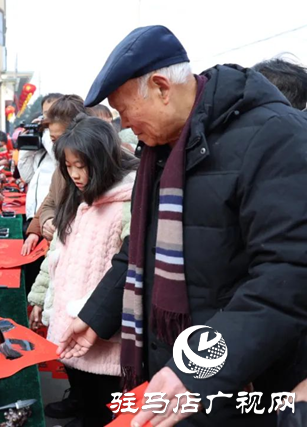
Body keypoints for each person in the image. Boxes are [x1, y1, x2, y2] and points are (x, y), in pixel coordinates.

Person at [58, 25, 307, 427]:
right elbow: (138, 249)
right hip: (171, 371)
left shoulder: (274, 137)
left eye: (124, 110)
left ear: (161, 87)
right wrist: (94, 317)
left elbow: (287, 278)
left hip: (237, 381)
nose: (122, 125)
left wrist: (197, 368)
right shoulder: (162, 149)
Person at [35, 115, 138, 426]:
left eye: (82, 165)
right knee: (78, 378)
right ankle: (79, 409)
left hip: (104, 324)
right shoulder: (77, 198)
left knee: (104, 399)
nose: (76, 174)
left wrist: (97, 315)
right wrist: (40, 296)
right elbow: (56, 253)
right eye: (69, 166)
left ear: (104, 159)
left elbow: (131, 263)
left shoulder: (129, 200)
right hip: (70, 314)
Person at [21, 95, 87, 256]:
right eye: (53, 139)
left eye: (61, 138)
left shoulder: (99, 163)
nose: (57, 146)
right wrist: (43, 224)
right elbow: (51, 199)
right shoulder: (62, 166)